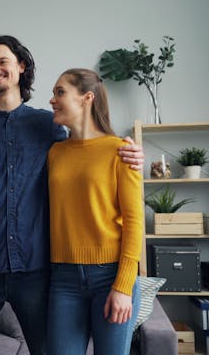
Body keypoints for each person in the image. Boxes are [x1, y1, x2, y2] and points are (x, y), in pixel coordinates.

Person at [0, 35, 144, 355]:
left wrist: (131, 153)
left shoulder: (48, 127)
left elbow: (90, 151)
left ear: (21, 67)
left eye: (2, 61)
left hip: (37, 269)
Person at [46, 68, 143, 355]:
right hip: (62, 278)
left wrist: (124, 286)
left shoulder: (120, 151)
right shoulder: (54, 153)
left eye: (60, 92)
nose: (52, 100)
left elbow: (135, 222)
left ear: (87, 97)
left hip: (110, 276)